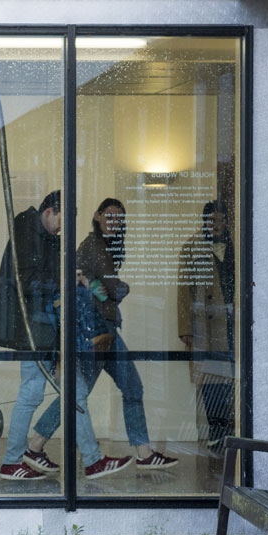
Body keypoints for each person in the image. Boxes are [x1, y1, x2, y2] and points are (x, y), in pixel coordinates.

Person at [0, 190, 133, 480]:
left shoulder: (43, 237)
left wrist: (74, 275)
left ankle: (92, 461)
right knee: (32, 393)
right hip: (34, 330)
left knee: (75, 390)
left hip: (47, 328)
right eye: (61, 219)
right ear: (48, 211)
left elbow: (47, 276)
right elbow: (27, 282)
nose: (62, 227)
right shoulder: (28, 233)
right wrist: (66, 278)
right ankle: (11, 462)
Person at [78, 198, 178, 470]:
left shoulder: (102, 248)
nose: (115, 223)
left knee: (129, 387)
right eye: (110, 216)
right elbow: (113, 290)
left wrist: (101, 286)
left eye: (120, 219)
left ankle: (144, 453)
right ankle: (36, 444)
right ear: (97, 215)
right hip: (97, 331)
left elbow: (100, 288)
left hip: (104, 329)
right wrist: (121, 288)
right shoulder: (96, 247)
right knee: (77, 395)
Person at [177, 199, 236, 453]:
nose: (216, 224)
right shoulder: (191, 248)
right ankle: (215, 432)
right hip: (206, 326)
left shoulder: (237, 246)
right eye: (211, 220)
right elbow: (183, 292)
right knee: (209, 379)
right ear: (204, 222)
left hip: (233, 324)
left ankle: (229, 431)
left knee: (230, 377)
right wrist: (186, 330)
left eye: (221, 219)